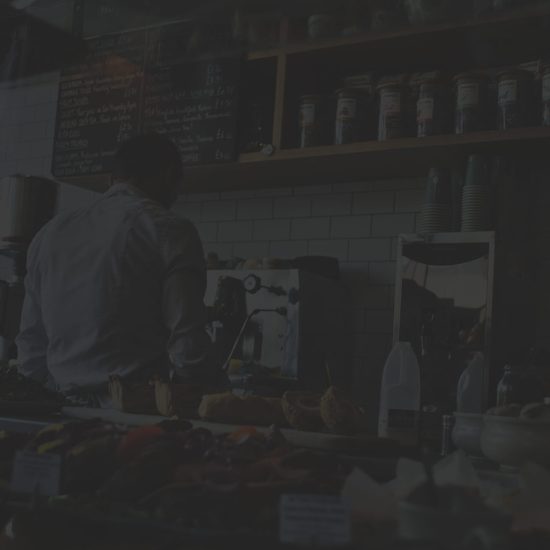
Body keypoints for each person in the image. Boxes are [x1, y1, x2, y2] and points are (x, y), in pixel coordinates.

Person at [16, 133, 223, 406]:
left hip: (59, 407)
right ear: (169, 176)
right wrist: (209, 395)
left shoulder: (49, 233)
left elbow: (31, 343)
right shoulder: (171, 229)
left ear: (112, 179)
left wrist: (35, 404)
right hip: (134, 410)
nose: (176, 196)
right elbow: (187, 344)